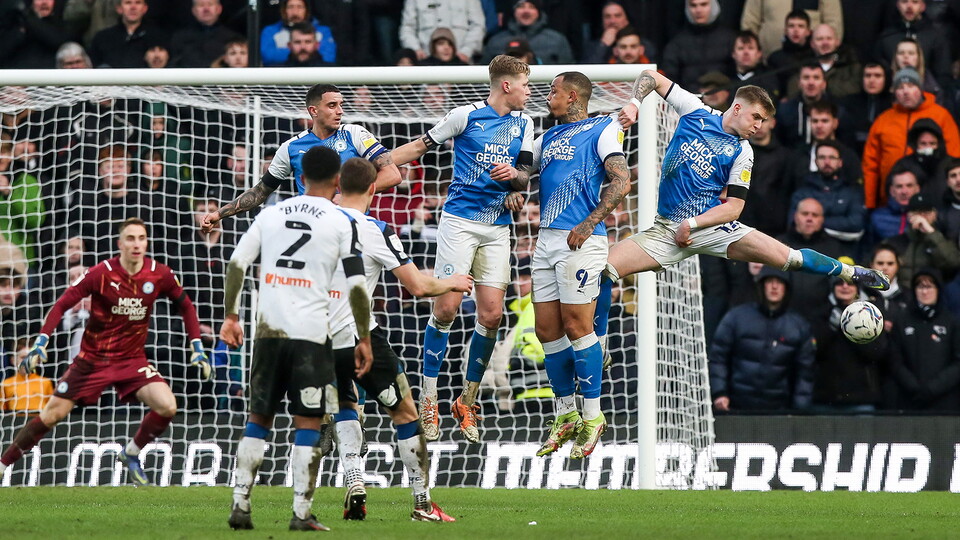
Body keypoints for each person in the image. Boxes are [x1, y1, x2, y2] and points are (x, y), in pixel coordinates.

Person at [596, 70, 889, 354]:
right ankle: (600, 344)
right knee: (602, 270)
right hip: (666, 231)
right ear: (737, 108)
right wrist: (635, 104)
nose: (759, 126)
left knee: (790, 259)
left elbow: (734, 208)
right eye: (756, 117)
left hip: (710, 227)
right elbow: (653, 76)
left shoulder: (743, 151)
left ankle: (853, 272)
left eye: (763, 120)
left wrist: (693, 223)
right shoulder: (695, 111)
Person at [220, 146, 373, 532]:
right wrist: (364, 337)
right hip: (311, 336)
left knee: (258, 419)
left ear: (300, 177)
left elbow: (237, 263)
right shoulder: (342, 222)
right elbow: (356, 285)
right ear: (337, 181)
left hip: (269, 331)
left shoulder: (270, 215)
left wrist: (231, 316)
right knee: (307, 422)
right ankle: (301, 513)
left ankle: (240, 506)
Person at [0, 218, 211, 485]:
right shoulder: (101, 273)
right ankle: (2, 464)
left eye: (142, 238)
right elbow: (61, 305)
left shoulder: (160, 273)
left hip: (132, 360)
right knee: (51, 415)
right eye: (131, 239)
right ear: (120, 243)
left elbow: (186, 307)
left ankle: (131, 453)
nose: (137, 244)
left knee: (168, 405)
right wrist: (41, 342)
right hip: (92, 361)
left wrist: (196, 346)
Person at [391, 54, 534, 443]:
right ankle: (428, 396)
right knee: (447, 308)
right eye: (524, 85)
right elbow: (419, 147)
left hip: (498, 228)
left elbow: (523, 176)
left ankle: (466, 400)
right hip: (459, 223)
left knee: (491, 316)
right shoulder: (464, 117)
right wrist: (376, 165)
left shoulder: (526, 122)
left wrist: (515, 181)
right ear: (506, 85)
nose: (528, 91)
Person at [327, 158, 471, 522]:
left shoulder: (316, 221)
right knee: (405, 413)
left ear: (338, 186)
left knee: (346, 404)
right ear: (374, 188)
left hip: (315, 338)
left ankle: (355, 479)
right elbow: (419, 286)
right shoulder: (375, 228)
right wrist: (453, 283)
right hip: (360, 336)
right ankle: (423, 504)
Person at [519, 71, 629, 459]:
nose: (547, 96)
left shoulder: (602, 129)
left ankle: (594, 417)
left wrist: (588, 223)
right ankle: (565, 414)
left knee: (577, 326)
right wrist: (512, 187)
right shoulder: (544, 137)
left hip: (580, 238)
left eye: (551, 91)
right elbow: (520, 175)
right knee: (546, 330)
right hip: (546, 239)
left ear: (571, 95)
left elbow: (621, 182)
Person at [201, 83, 401, 232]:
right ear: (313, 111)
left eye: (341, 104)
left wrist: (346, 197)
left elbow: (393, 175)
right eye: (332, 105)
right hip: (315, 230)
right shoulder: (291, 147)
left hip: (356, 228)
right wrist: (219, 214)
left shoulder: (354, 133)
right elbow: (260, 192)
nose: (340, 111)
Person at [709, 268, 815, 412]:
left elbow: (805, 371)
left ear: (787, 288)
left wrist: (799, 409)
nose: (774, 286)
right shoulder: (736, 317)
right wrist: (719, 392)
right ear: (761, 285)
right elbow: (718, 357)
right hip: (736, 407)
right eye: (770, 281)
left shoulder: (798, 326)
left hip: (779, 410)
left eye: (780, 282)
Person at [862, 67, 960, 209]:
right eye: (900, 87)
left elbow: (955, 160)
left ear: (920, 88)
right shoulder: (883, 120)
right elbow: (870, 166)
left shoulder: (941, 115)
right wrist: (870, 203)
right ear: (894, 92)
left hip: (938, 198)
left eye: (911, 86)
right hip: (893, 201)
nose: (906, 92)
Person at [886, 268, 960, 411]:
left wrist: (934, 388)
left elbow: (958, 362)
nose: (924, 291)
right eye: (920, 286)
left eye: (929, 286)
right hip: (910, 400)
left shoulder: (951, 322)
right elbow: (895, 360)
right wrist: (913, 386)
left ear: (938, 289)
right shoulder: (902, 320)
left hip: (945, 402)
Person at [884, 193, 960, 285]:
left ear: (935, 215)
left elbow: (953, 263)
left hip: (931, 295)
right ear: (909, 216)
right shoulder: (895, 242)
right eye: (917, 213)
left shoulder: (944, 240)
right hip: (902, 296)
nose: (922, 218)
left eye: (926, 213)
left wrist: (931, 233)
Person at [660, 0, 736, 90]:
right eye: (693, 5)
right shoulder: (677, 43)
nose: (698, 10)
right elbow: (670, 76)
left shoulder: (730, 39)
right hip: (688, 100)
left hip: (725, 100)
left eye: (704, 4)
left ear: (714, 6)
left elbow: (738, 75)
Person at [481, 0, 575, 64]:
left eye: (531, 7)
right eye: (521, 6)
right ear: (514, 11)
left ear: (538, 12)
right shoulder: (496, 41)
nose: (526, 11)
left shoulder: (557, 40)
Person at [399, 0, 485, 63]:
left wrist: (467, 51)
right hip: (426, 64)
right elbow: (407, 28)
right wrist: (416, 50)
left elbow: (478, 25)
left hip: (461, 63)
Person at [89, 0, 167, 68]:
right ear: (119, 9)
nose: (133, 7)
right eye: (128, 2)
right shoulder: (102, 38)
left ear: (145, 8)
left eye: (138, 2)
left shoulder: (158, 36)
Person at [260, 0, 336, 67]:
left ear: (306, 10)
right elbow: (267, 57)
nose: (295, 12)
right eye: (290, 7)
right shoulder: (270, 31)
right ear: (284, 10)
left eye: (299, 7)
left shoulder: (323, 31)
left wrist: (293, 52)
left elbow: (328, 57)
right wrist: (308, 52)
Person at [169, 0, 241, 68]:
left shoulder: (233, 38)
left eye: (210, 4)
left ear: (219, 9)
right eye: (201, 5)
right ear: (194, 11)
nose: (206, 9)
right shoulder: (180, 39)